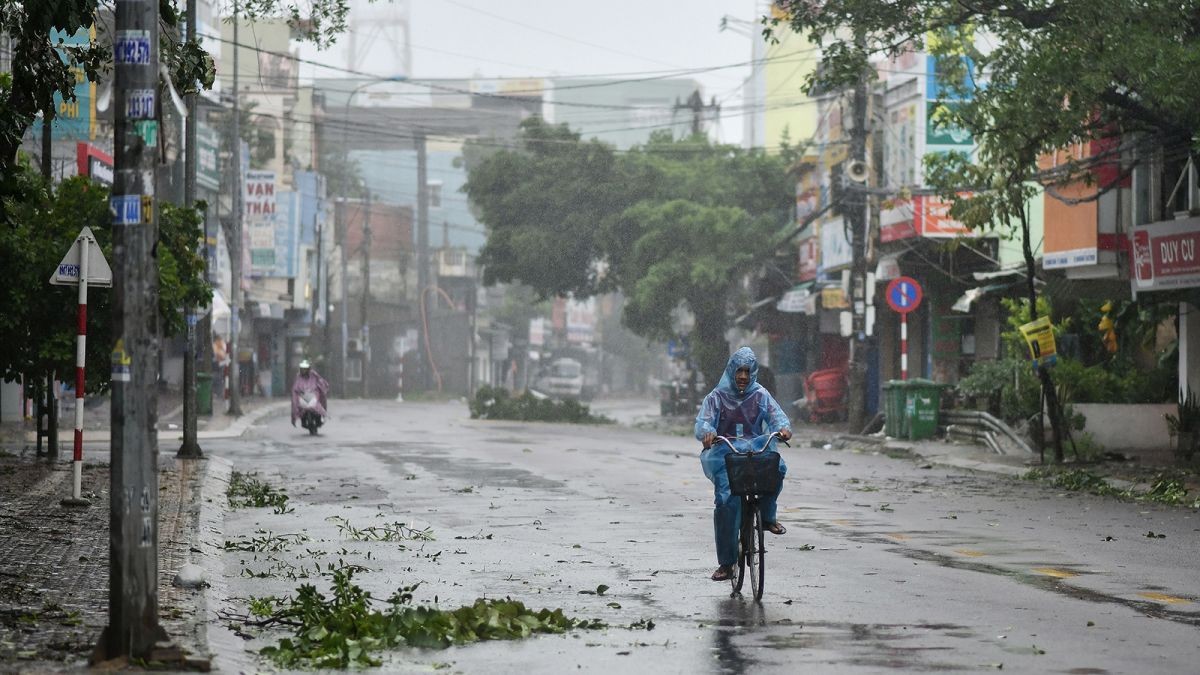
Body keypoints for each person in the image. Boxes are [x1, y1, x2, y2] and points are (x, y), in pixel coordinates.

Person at [695, 347, 792, 582]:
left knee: (777, 468)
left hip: (756, 449)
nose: (743, 376)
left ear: (753, 373)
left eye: (748, 371)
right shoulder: (716, 397)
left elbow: (777, 416)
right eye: (739, 371)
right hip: (726, 453)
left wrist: (784, 428)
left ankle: (767, 518)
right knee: (727, 502)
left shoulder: (760, 395)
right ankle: (727, 564)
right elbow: (704, 422)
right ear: (731, 371)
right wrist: (707, 433)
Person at [291, 359, 329, 427]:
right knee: (296, 404)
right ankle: (301, 419)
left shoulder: (314, 375)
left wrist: (322, 387)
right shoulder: (298, 377)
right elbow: (295, 388)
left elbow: (321, 382)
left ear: (308, 369)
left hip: (313, 394)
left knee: (320, 403)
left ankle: (320, 417)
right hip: (303, 396)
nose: (303, 370)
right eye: (302, 369)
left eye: (305, 369)